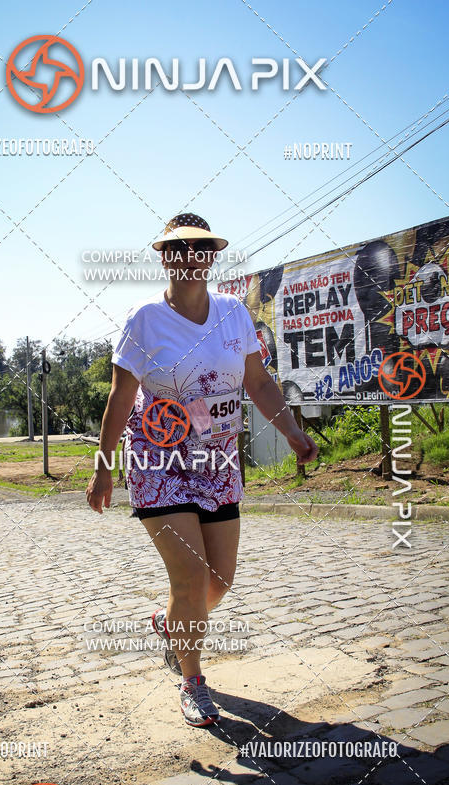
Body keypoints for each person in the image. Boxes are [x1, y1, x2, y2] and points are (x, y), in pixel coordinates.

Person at [86, 213, 318, 727]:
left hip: (216, 460)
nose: (190, 257)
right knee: (190, 578)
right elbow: (122, 396)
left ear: (211, 256)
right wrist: (104, 467)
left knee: (219, 580)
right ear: (164, 257)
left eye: (200, 248)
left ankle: (171, 626)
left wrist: (291, 431)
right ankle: (192, 682)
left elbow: (258, 383)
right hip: (158, 457)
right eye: (178, 248)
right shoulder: (143, 319)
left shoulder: (234, 314)